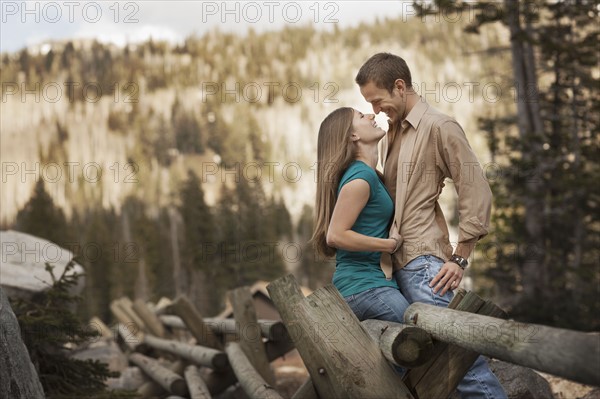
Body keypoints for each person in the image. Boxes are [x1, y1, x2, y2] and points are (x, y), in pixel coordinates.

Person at [355, 53, 507, 398]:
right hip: (399, 267)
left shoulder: (440, 127)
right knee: (430, 371)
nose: (377, 111)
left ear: (399, 86)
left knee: (463, 370)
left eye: (378, 101)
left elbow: (475, 186)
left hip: (425, 266)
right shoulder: (394, 132)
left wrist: (461, 255)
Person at [311, 107, 410, 326]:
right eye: (361, 116)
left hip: (364, 288)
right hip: (366, 289)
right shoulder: (361, 177)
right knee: (422, 344)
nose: (372, 115)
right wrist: (389, 244)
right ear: (353, 135)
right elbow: (335, 236)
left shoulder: (368, 174)